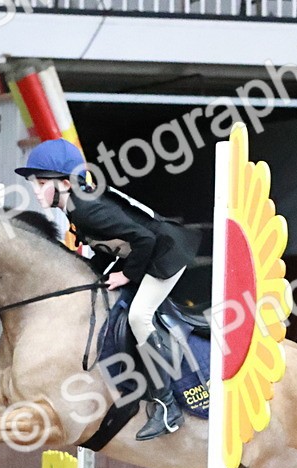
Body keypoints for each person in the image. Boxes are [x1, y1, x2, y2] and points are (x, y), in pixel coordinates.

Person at [16, 138, 202, 441]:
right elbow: (106, 246)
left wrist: (126, 276)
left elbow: (145, 240)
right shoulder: (75, 207)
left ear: (64, 183)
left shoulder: (85, 209)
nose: (35, 189)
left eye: (40, 182)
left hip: (165, 252)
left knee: (139, 316)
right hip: (147, 252)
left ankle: (168, 407)